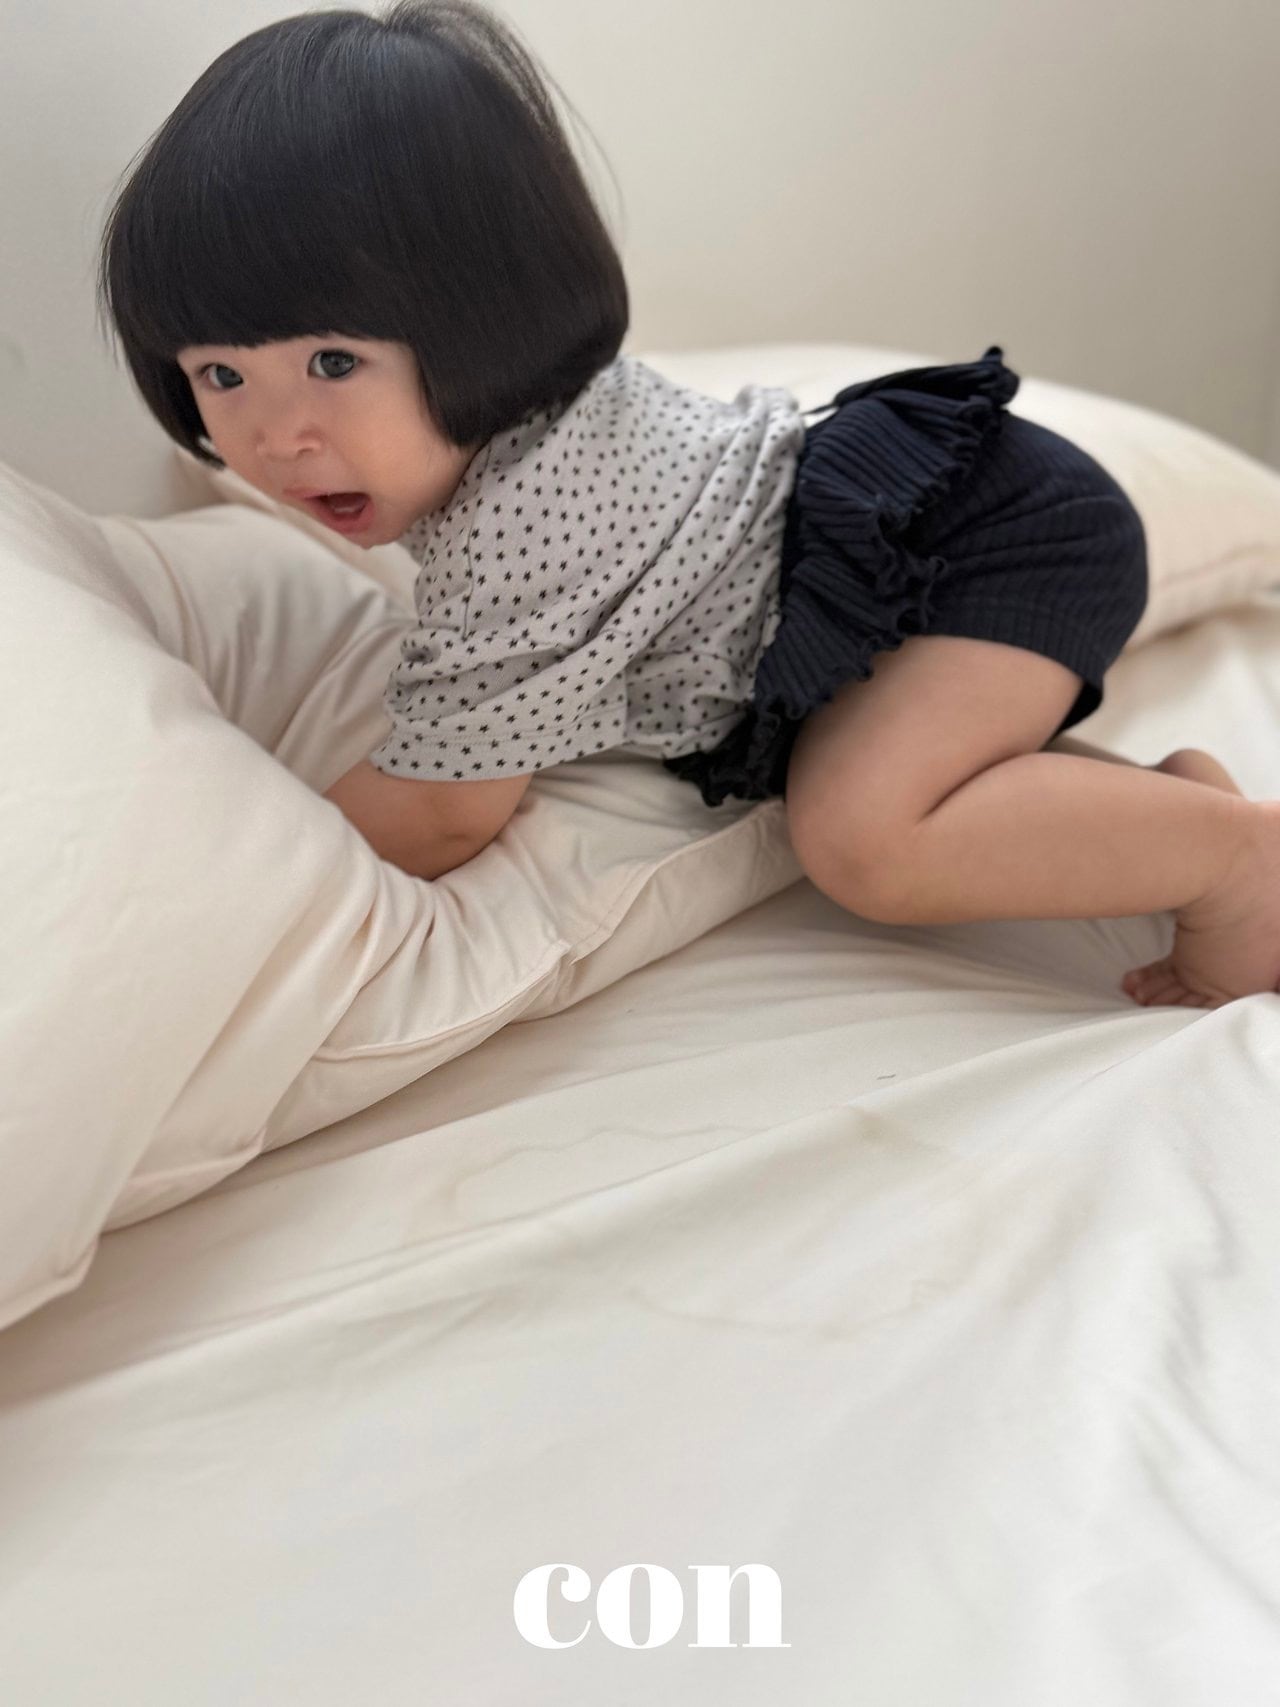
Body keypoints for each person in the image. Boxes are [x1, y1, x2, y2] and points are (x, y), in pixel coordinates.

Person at [95, 0, 1280, 1010]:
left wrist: (229, 877)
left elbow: (443, 814)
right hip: (897, 578)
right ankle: (1168, 810)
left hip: (974, 543)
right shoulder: (528, 436)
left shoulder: (521, 530)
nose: (276, 436)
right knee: (898, 762)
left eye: (332, 363)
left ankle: (1238, 864)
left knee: (865, 839)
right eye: (220, 376)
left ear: (487, 317)